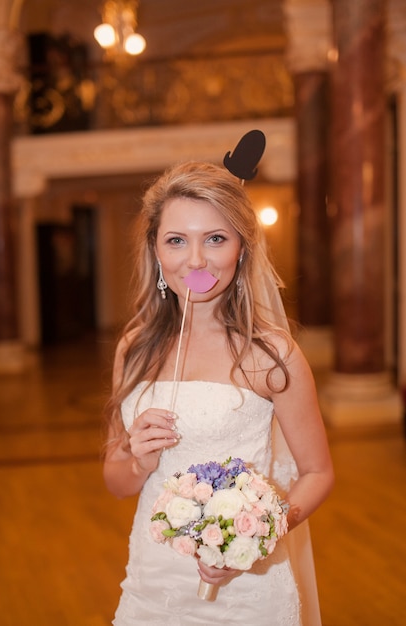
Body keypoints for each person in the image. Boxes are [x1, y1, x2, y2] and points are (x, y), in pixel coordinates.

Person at [104, 160, 334, 625]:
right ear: (155, 249)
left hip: (247, 593)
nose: (195, 260)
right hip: (151, 586)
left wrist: (253, 539)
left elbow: (317, 472)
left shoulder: (272, 355)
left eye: (215, 238)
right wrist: (139, 460)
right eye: (176, 240)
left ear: (242, 249)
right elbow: (116, 482)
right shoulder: (133, 348)